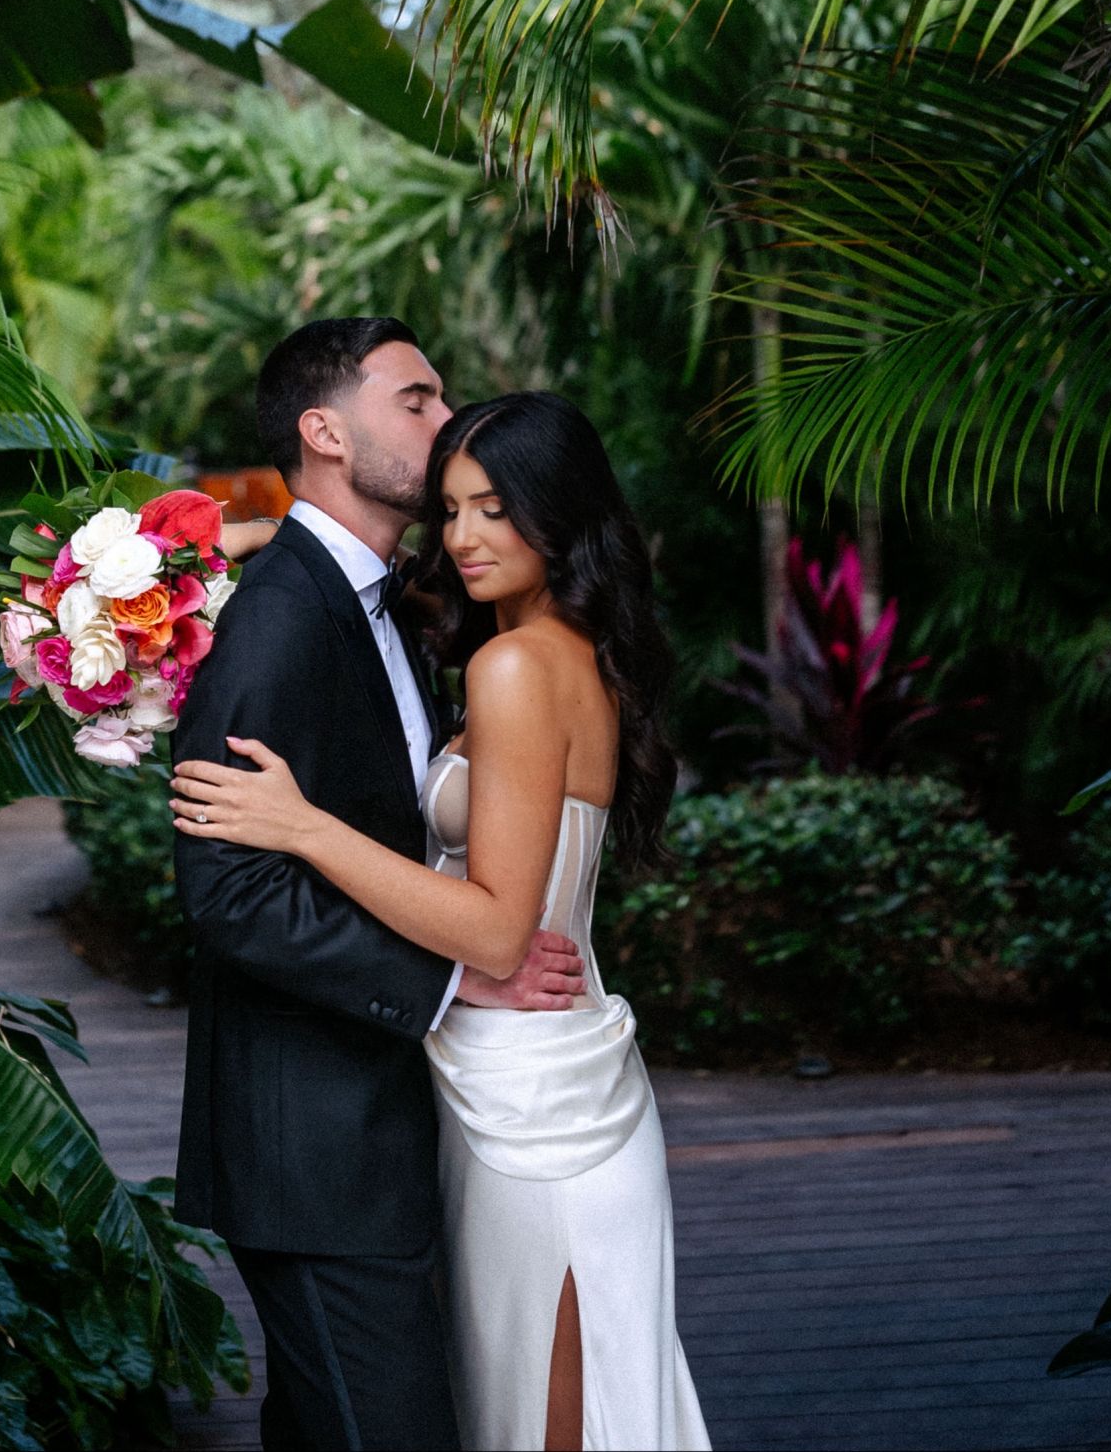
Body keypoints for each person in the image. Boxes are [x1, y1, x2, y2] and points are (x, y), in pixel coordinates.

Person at [174, 388, 710, 1452]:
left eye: (496, 510)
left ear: (561, 516)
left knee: (546, 1418)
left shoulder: (514, 669)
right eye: (452, 509)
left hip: (531, 1105)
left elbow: (500, 933)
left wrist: (303, 827)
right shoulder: (563, 652)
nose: (462, 538)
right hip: (528, 1071)